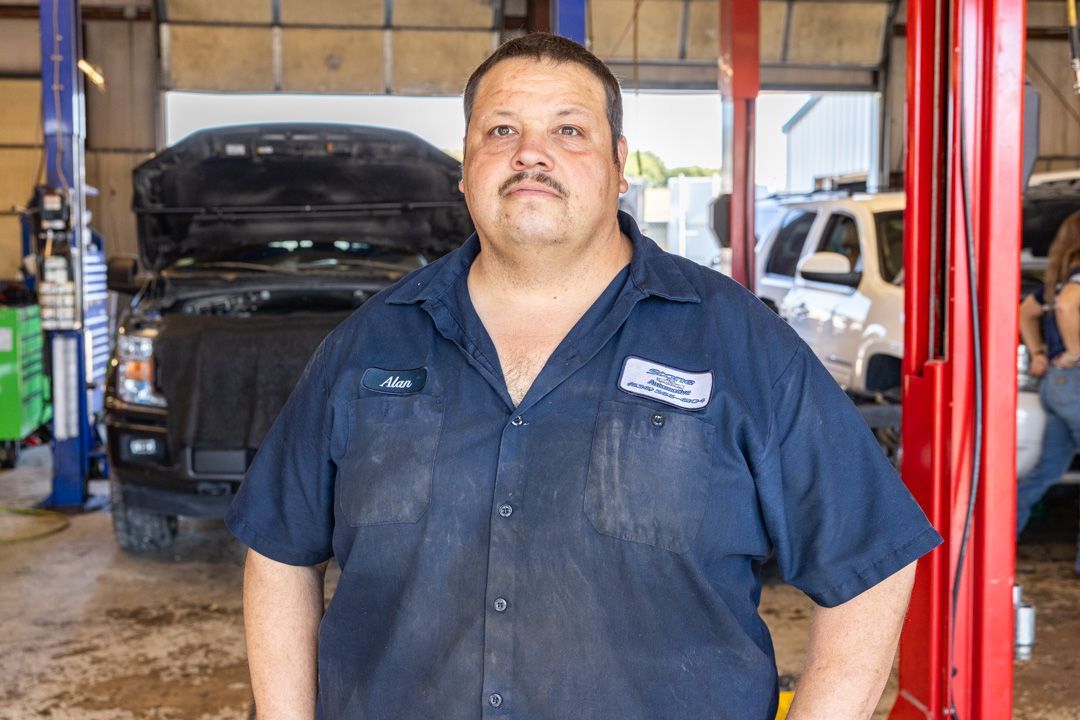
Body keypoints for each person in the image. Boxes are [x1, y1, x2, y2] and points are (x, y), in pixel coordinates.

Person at [226, 33, 942, 720]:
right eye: (500, 131)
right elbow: (279, 554)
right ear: (466, 166)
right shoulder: (366, 347)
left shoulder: (738, 343)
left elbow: (870, 563)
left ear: (620, 164)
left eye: (569, 131)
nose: (531, 154)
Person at [1017, 208, 1080, 574]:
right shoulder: (1074, 282)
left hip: (1054, 386)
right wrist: (1073, 350)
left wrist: (1040, 352)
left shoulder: (1055, 282)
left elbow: (1027, 311)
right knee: (1047, 470)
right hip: (1073, 380)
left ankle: (1003, 540)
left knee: (1047, 470)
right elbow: (1071, 305)